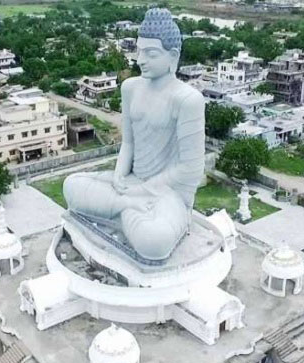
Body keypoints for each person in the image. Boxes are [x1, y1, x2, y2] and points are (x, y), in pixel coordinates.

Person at [63, 8, 205, 261]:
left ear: (173, 56)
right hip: (131, 183)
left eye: (151, 53)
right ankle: (123, 208)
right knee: (71, 185)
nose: (141, 60)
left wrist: (143, 190)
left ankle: (117, 211)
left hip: (166, 193)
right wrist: (120, 175)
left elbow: (191, 169)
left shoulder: (187, 99)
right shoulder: (131, 88)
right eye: (139, 51)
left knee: (154, 241)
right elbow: (128, 142)